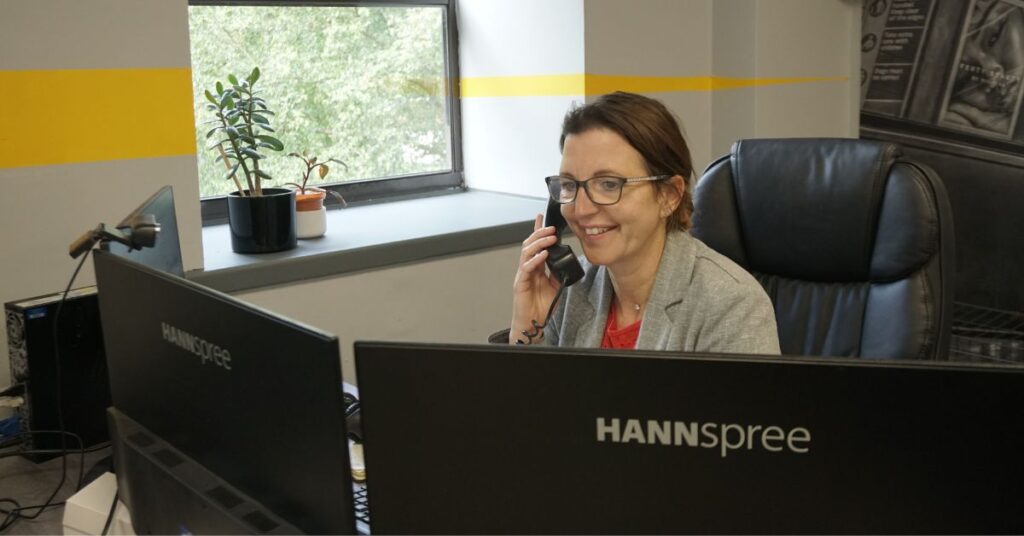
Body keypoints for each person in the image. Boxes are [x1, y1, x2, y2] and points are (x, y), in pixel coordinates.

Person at [509, 92, 780, 354]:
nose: (580, 209)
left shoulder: (732, 305)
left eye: (608, 184)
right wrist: (528, 326)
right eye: (569, 185)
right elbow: (532, 400)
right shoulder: (571, 289)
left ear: (669, 195)